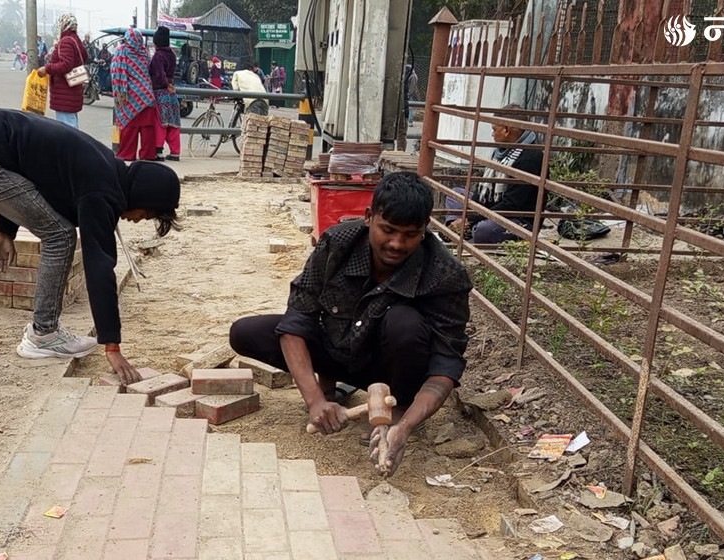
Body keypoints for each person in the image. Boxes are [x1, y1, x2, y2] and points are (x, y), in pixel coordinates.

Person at [0, 109, 181, 380]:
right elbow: (100, 267)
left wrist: (5, 231)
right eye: (148, 214)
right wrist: (112, 346)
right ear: (144, 197)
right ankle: (43, 334)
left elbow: (29, 175)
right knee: (61, 235)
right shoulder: (101, 191)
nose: (138, 220)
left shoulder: (103, 165)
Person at [229, 172, 470, 477]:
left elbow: (445, 367)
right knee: (245, 333)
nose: (397, 243)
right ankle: (330, 389)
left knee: (403, 323)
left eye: (410, 234)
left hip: (392, 369)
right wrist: (314, 399)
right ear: (369, 217)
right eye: (388, 230)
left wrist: (406, 426)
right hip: (340, 350)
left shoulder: (445, 274)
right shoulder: (338, 244)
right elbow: (297, 320)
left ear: (425, 230)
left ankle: (397, 412)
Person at [444, 103, 543, 243]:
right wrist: (471, 214)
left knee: (484, 230)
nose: (492, 134)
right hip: (490, 208)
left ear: (506, 130)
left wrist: (470, 218)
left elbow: (511, 205)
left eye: (494, 129)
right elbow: (482, 190)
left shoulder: (530, 158)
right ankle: (463, 228)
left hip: (516, 219)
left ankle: (465, 229)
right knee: (455, 194)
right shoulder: (500, 152)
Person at [111, 27, 158, 162]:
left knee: (129, 128)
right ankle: (147, 156)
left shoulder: (122, 51)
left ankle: (127, 154)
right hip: (147, 95)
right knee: (147, 129)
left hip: (130, 95)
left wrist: (119, 92)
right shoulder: (144, 52)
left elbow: (115, 71)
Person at [37, 13, 87, 128]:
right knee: (72, 125)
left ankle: (73, 147)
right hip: (73, 89)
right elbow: (83, 57)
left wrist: (47, 68)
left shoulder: (66, 41)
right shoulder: (76, 40)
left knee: (67, 129)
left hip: (65, 93)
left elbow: (66, 65)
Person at [149, 26, 180, 162]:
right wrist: (170, 85)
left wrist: (165, 83)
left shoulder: (158, 56)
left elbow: (160, 74)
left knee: (160, 123)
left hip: (160, 92)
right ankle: (175, 152)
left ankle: (158, 152)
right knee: (173, 123)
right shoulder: (172, 55)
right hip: (172, 93)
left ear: (157, 43)